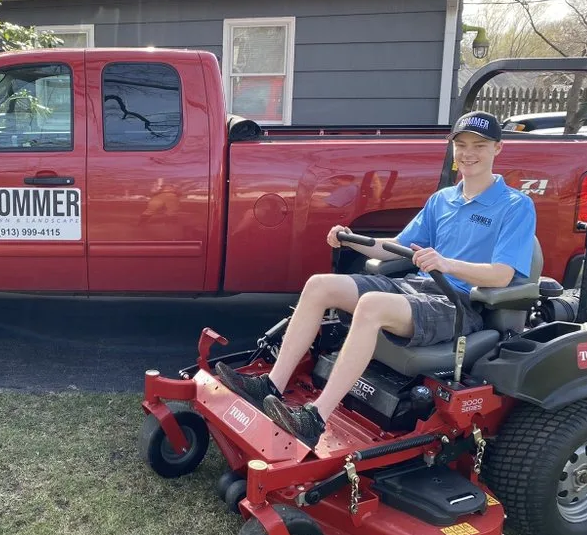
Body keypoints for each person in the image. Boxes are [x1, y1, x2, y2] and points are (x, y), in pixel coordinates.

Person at [215, 111, 537, 447]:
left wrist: (446, 263)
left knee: (371, 306)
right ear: (453, 147)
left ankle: (314, 419)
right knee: (319, 285)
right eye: (463, 144)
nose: (469, 153)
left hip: (458, 305)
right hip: (417, 288)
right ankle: (271, 385)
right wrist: (351, 237)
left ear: (498, 148)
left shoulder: (516, 206)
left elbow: (502, 275)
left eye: (480, 146)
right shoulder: (443, 200)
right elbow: (398, 248)